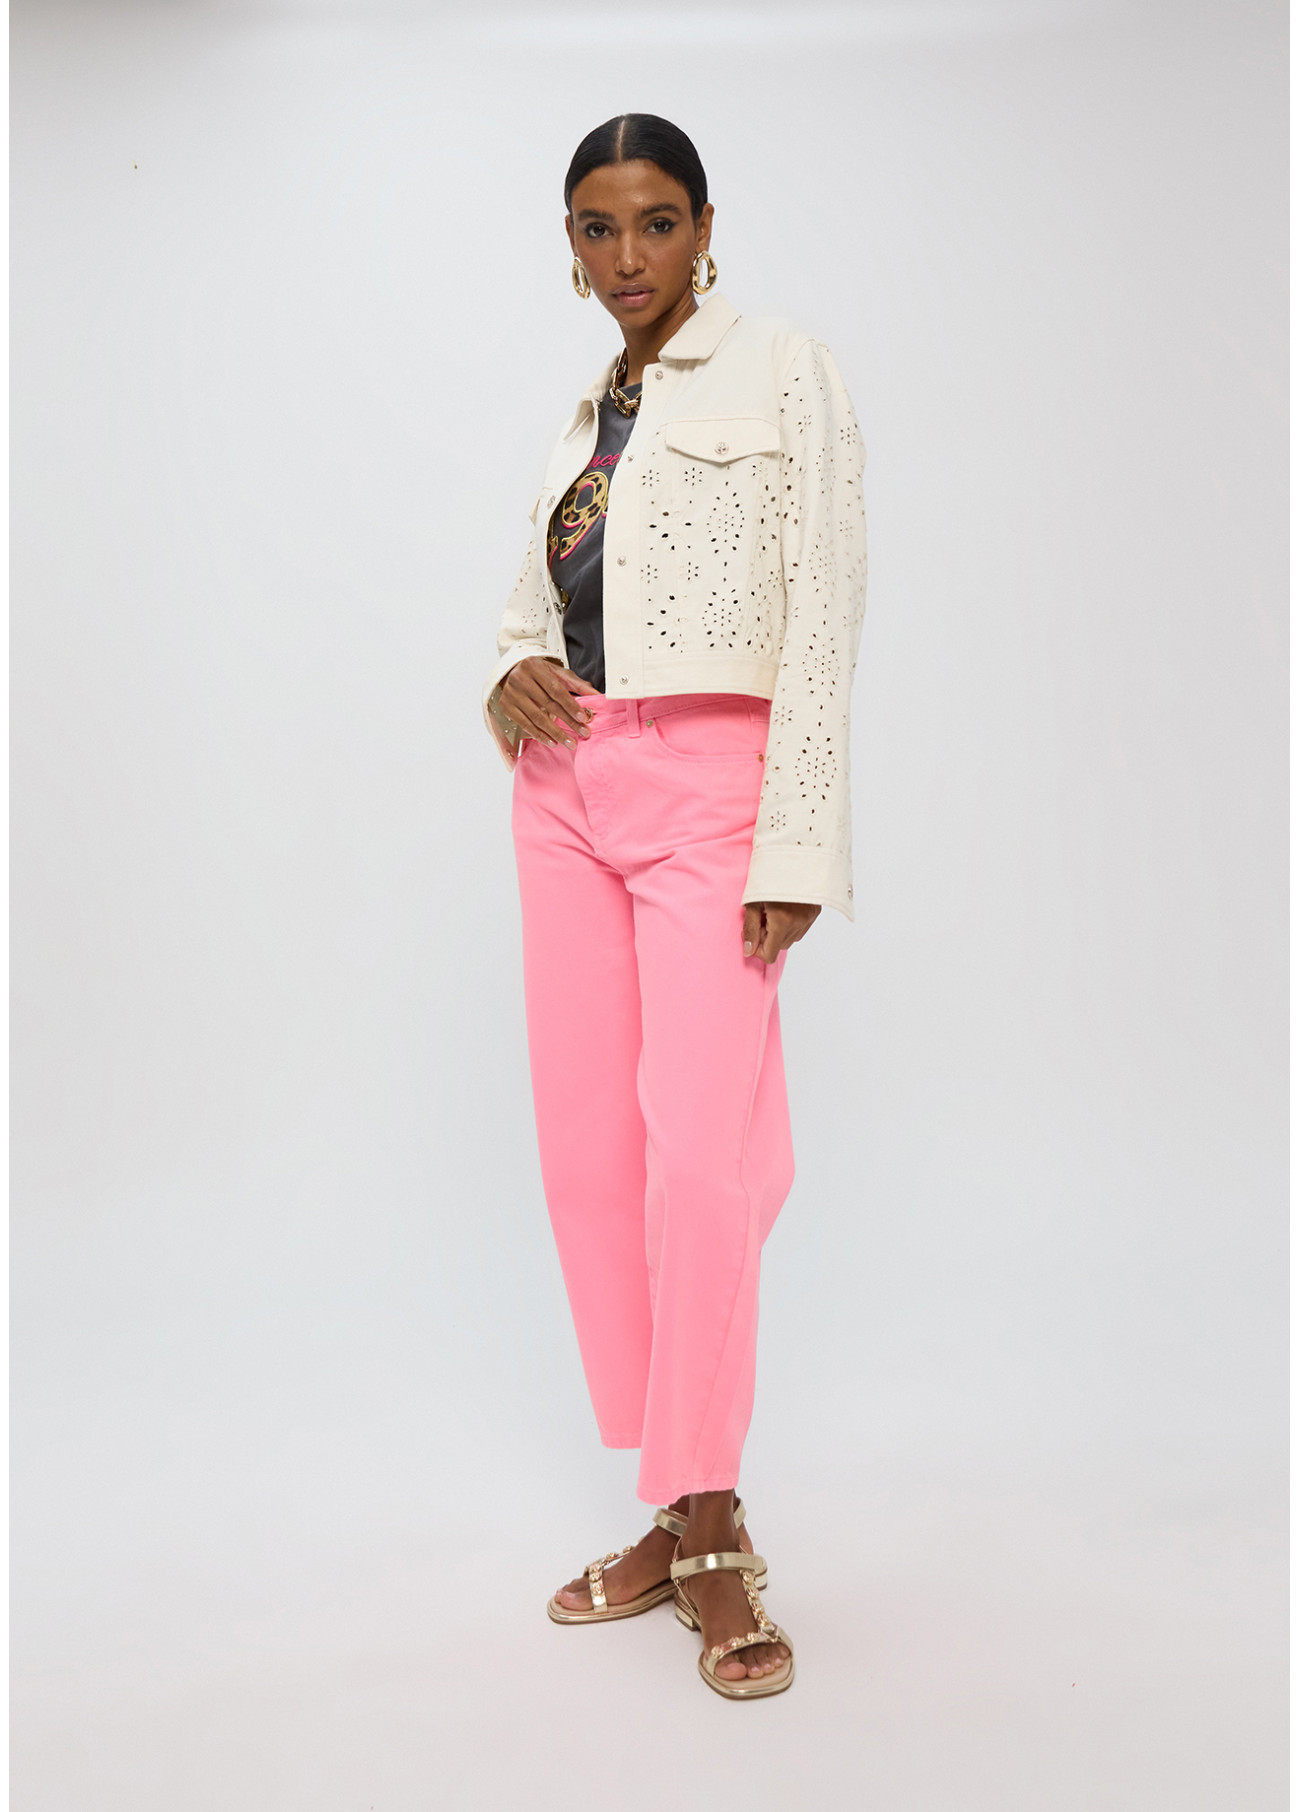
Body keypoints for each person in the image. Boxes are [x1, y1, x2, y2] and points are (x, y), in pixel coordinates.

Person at [482, 113, 867, 1700]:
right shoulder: (593, 414)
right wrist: (505, 674)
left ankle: (712, 1535)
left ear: (706, 226)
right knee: (591, 1161)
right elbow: (542, 602)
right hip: (565, 791)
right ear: (569, 247)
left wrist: (799, 846)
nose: (626, 255)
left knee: (709, 1160)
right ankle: (675, 1496)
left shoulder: (782, 369)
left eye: (653, 222)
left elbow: (825, 604)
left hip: (715, 788)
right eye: (596, 228)